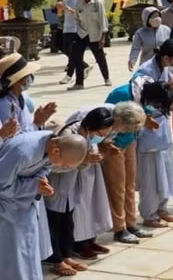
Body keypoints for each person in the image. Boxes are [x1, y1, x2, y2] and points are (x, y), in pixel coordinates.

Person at [103, 39, 173, 243]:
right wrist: (109, 144)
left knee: (129, 184)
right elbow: (106, 124)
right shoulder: (125, 93)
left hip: (130, 138)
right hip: (114, 142)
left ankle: (131, 224)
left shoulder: (147, 93)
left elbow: (150, 107)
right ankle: (120, 227)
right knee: (118, 186)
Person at [0, 131, 89, 280]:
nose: (63, 167)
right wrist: (33, 186)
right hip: (6, 206)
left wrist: (41, 182)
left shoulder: (52, 143)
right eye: (65, 165)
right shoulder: (23, 152)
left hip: (23, 203)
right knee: (14, 253)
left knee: (29, 249)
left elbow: (45, 167)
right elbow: (2, 185)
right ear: (56, 151)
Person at [43, 107, 116, 275]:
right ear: (92, 127)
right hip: (57, 186)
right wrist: (83, 160)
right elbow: (53, 164)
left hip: (71, 186)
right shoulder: (69, 136)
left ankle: (67, 255)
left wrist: (89, 159)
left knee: (68, 222)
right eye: (101, 133)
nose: (101, 136)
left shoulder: (87, 134)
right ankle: (57, 260)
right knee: (55, 224)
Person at [73, 102, 145, 259]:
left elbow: (101, 138)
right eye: (123, 128)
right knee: (84, 203)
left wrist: (107, 145)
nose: (122, 131)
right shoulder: (101, 118)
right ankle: (80, 243)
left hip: (92, 160)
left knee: (96, 199)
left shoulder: (114, 122)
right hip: (78, 162)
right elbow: (82, 139)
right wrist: (88, 155)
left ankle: (90, 239)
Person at [135, 82, 173, 228]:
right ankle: (149, 215)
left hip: (163, 148)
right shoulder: (144, 109)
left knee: (165, 179)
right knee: (150, 184)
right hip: (148, 151)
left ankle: (162, 208)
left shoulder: (161, 105)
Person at [70, 0, 110, 89]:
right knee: (77, 58)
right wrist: (79, 29)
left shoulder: (98, 2)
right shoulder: (78, 2)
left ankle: (106, 78)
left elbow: (103, 21)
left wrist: (103, 38)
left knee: (100, 57)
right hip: (82, 33)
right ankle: (79, 83)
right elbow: (77, 17)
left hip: (95, 34)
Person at [58, 0, 92, 85]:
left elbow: (82, 14)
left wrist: (69, 9)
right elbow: (60, 15)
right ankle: (84, 66)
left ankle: (69, 75)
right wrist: (60, 8)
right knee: (66, 50)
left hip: (76, 29)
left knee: (73, 52)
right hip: (66, 28)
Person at [128, 7, 171, 72]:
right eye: (153, 16)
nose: (156, 18)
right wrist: (132, 60)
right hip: (147, 64)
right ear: (146, 19)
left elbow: (171, 46)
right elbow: (135, 48)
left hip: (164, 65)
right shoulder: (140, 33)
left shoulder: (166, 30)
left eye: (158, 16)